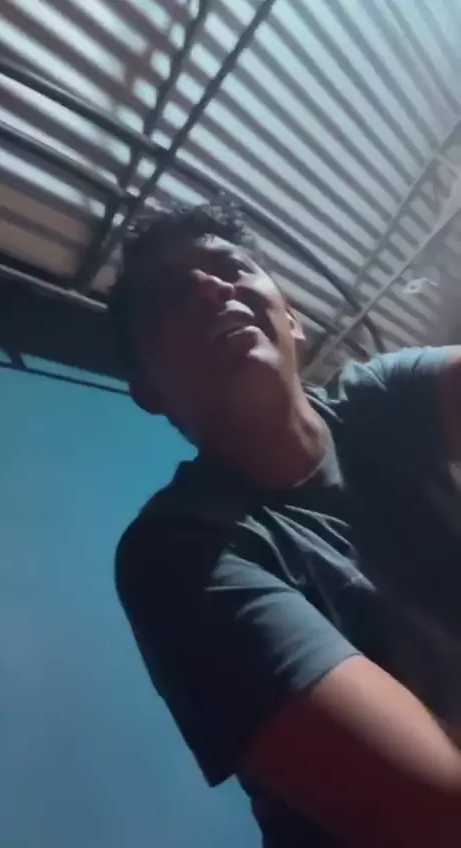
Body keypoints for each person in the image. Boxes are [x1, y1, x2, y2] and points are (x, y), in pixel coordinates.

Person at [111, 199, 461, 847]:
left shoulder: (386, 398)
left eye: (230, 267)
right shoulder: (179, 554)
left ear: (292, 319)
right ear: (148, 390)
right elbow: (443, 818)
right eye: (169, 295)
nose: (211, 287)